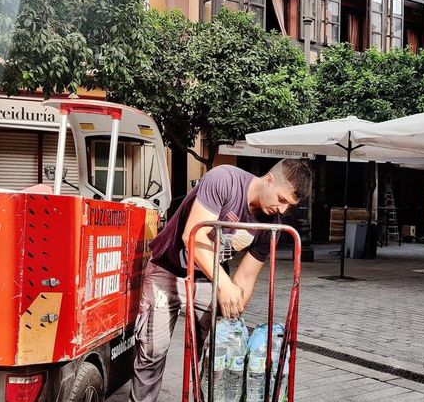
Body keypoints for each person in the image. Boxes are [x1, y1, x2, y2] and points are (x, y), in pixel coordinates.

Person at [130, 159, 311, 402]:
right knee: (153, 350)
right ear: (269, 179)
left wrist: (234, 316)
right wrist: (225, 286)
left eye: (288, 206)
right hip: (168, 268)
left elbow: (246, 276)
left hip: (209, 277)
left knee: (211, 354)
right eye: (280, 199)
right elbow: (192, 235)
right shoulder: (224, 180)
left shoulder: (271, 226)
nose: (281, 210)